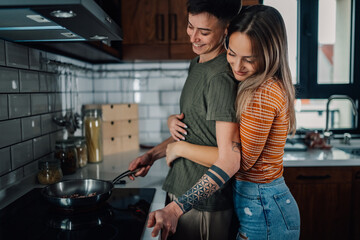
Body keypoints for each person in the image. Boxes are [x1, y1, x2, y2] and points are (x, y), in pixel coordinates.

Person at [147, 5, 301, 240]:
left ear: (270, 54)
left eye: (248, 59)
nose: (236, 67)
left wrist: (176, 208)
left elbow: (236, 161)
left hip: (266, 212)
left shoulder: (263, 93)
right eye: (232, 53)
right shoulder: (253, 83)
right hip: (257, 206)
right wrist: (161, 145)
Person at [128, 0, 242, 240]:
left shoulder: (221, 77)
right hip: (181, 196)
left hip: (204, 205)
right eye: (191, 26)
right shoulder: (197, 63)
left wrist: (178, 148)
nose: (194, 37)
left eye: (204, 31)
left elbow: (229, 158)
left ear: (226, 29)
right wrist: (153, 154)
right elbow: (192, 131)